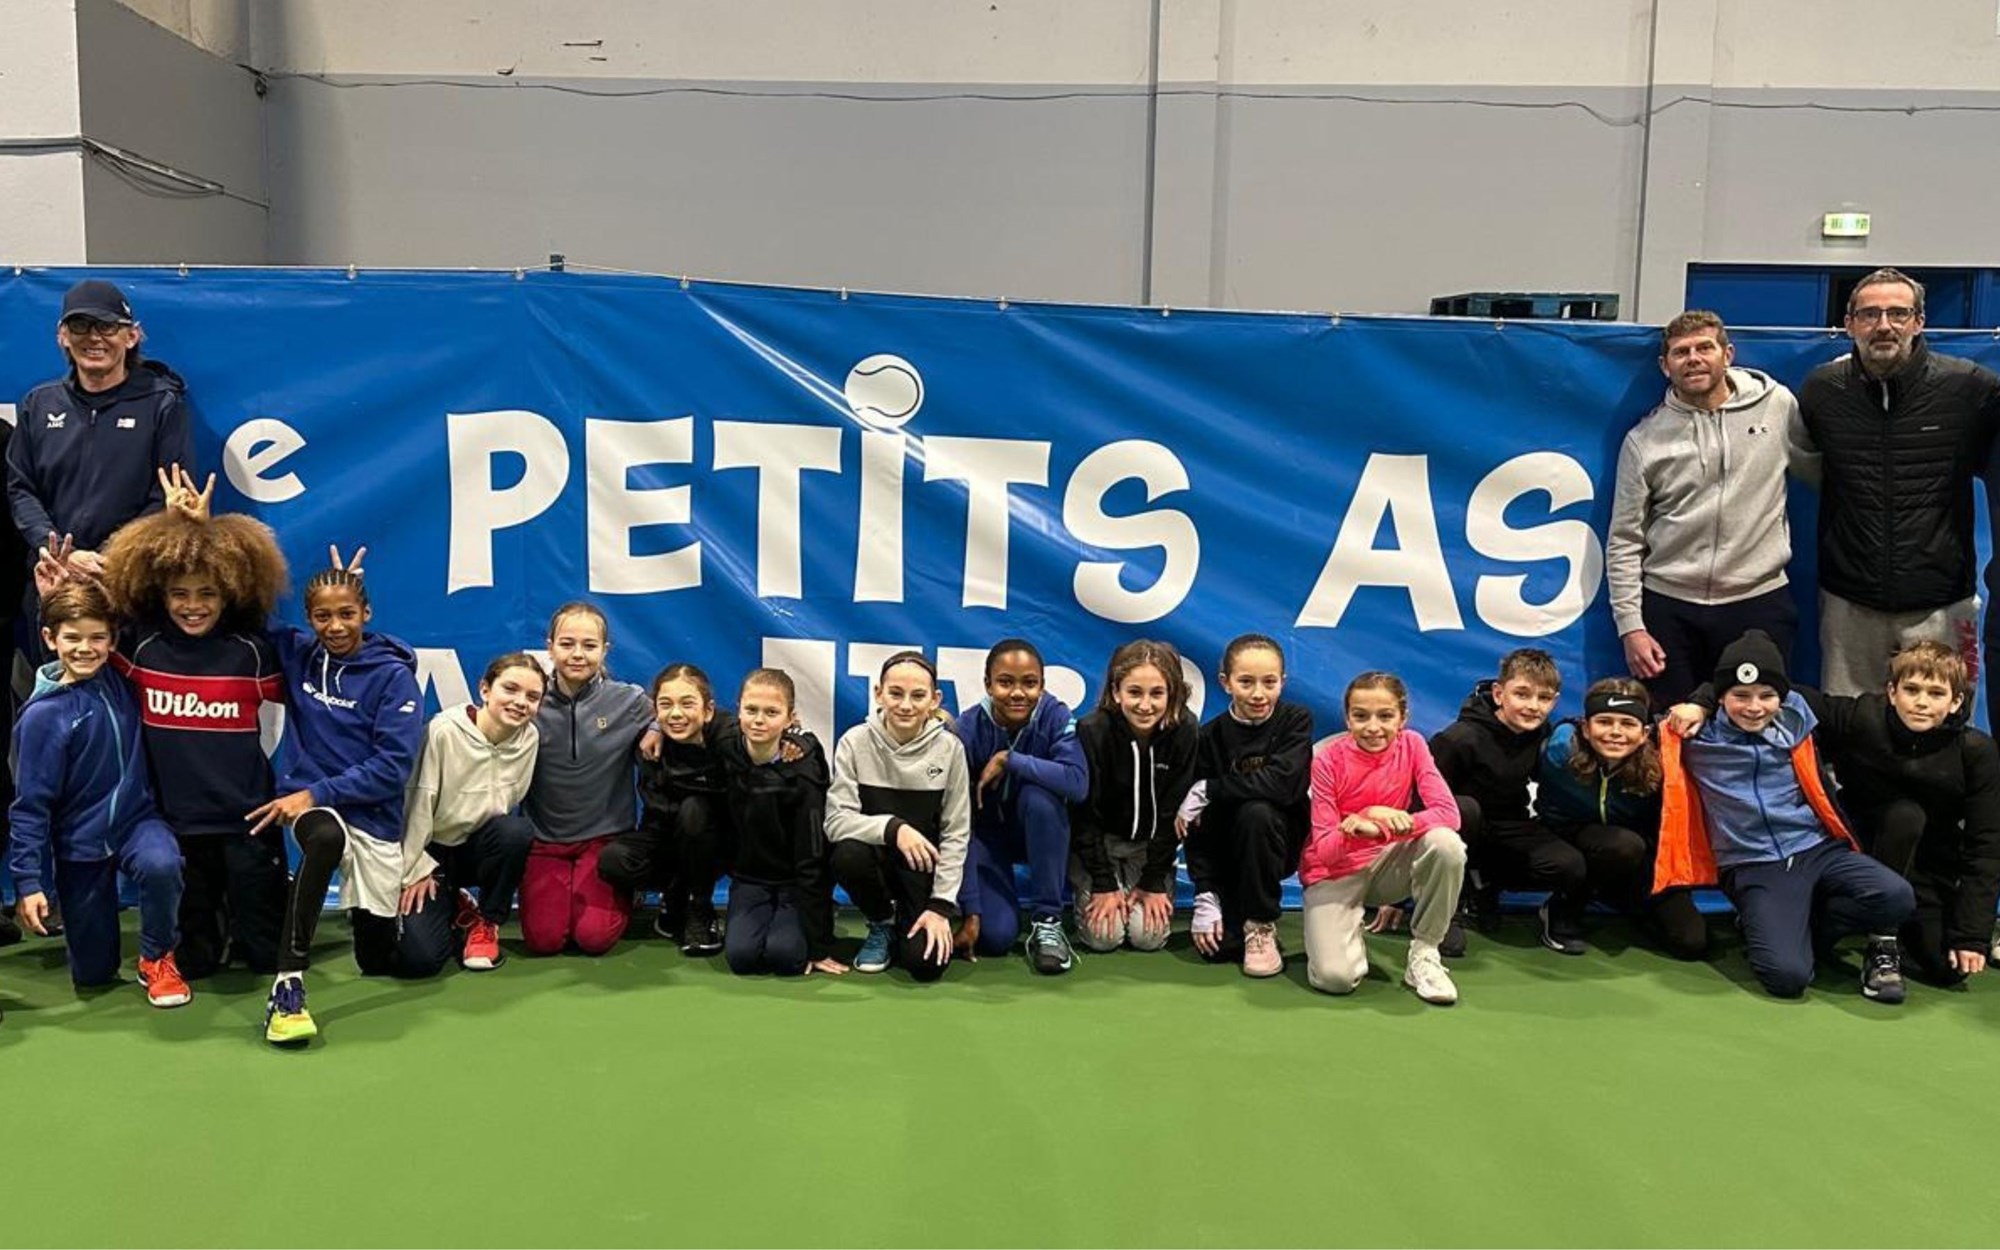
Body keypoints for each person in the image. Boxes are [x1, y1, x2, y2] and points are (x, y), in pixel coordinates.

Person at [92, 472, 289, 981]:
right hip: (177, 824)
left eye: (206, 593)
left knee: (268, 960)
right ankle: (211, 930)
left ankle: (240, 925)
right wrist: (175, 528)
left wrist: (203, 529)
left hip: (249, 821)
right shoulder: (141, 647)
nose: (193, 605)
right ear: (161, 594)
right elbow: (83, 639)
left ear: (228, 594)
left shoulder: (252, 652)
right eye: (180, 593)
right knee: (196, 965)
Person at [1658, 630, 1915, 1002]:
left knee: (1897, 897)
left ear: (1783, 695)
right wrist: (1699, 702)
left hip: (1817, 848)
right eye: (1740, 696)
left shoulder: (1801, 717)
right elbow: (1624, 728)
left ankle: (1804, 928)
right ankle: (1773, 927)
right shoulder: (1693, 735)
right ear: (1721, 696)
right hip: (1754, 864)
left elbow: (1865, 713)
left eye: (1767, 696)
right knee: (1787, 979)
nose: (1754, 707)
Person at [1793, 267, 2000, 702]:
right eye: (1869, 314)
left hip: (1942, 601)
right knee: (1850, 729)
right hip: (1850, 601)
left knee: (1944, 730)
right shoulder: (1821, 390)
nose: (1884, 325)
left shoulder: (1970, 388)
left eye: (1898, 313)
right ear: (1848, 324)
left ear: (1919, 321)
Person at [254, 555, 426, 1042]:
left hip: (372, 815)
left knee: (385, 961)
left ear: (366, 613)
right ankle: (288, 987)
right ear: (308, 619)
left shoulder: (393, 678)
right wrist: (200, 531)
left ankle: (438, 914)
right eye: (322, 616)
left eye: (346, 613)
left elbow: (393, 768)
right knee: (323, 838)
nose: (335, 626)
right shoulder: (297, 653)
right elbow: (243, 602)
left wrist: (318, 791)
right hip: (317, 808)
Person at [6, 580, 188, 1007]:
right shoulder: (41, 718)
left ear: (112, 639)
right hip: (79, 846)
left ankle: (157, 956)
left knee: (162, 863)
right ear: (50, 640)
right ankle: (95, 948)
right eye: (72, 638)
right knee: (92, 974)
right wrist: (29, 883)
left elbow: (156, 613)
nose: (85, 648)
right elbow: (30, 807)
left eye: (97, 637)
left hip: (137, 823)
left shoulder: (123, 678)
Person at [1607, 310, 1801, 706]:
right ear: (1665, 366)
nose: (1693, 358)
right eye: (1681, 352)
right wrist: (1631, 627)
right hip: (1669, 608)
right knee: (1672, 729)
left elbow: (1820, 466)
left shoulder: (1778, 405)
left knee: (1756, 727)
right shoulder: (1643, 440)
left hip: (1759, 600)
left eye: (1704, 348)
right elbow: (1625, 539)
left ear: (1727, 354)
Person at [8, 281, 190, 654]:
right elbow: (20, 488)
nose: (94, 338)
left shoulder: (162, 404)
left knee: (126, 700)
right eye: (81, 326)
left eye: (107, 327)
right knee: (58, 696)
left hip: (127, 580)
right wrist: (61, 552)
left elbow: (169, 495)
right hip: (54, 578)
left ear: (131, 336)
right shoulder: (38, 404)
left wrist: (112, 555)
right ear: (62, 336)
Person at [1301, 671, 1464, 1004]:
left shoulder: (1414, 745)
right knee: (1335, 979)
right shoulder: (1326, 761)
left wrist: (1378, 824)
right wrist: (1364, 819)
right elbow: (1328, 851)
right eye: (1361, 716)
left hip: (1387, 864)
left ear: (1403, 717)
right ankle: (1345, 932)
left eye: (1385, 716)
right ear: (1347, 718)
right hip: (1334, 872)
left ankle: (1424, 953)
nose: (1373, 727)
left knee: (1446, 844)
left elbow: (1449, 814)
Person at [392, 653, 544, 977]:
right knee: (420, 961)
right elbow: (416, 804)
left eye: (532, 697)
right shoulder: (443, 732)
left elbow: (512, 803)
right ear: (485, 689)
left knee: (515, 832)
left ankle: (486, 921)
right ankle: (453, 901)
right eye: (510, 689)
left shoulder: (530, 737)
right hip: (431, 852)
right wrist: (414, 869)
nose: (520, 702)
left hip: (477, 847)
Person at [1535, 678, 1708, 960]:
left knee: (1690, 942)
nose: (1615, 732)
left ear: (1644, 733)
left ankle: (1622, 898)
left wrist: (1701, 706)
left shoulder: (1663, 760)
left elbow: (1732, 694)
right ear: (1586, 728)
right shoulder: (1558, 750)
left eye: (1628, 724)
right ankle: (1562, 908)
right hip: (1569, 842)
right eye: (1604, 722)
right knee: (1622, 844)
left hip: (1637, 855)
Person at [520, 602, 654, 958]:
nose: (577, 654)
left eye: (589, 645)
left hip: (604, 841)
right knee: (544, 942)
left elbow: (684, 714)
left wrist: (656, 726)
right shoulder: (528, 700)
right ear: (549, 646)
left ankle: (627, 892)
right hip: (543, 841)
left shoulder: (631, 701)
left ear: (604, 650)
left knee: (594, 940)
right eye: (566, 644)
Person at [824, 651, 969, 982]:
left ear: (935, 700)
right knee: (847, 854)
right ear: (878, 694)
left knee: (925, 966)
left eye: (918, 696)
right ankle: (882, 922)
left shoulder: (950, 750)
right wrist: (893, 828)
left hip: (920, 870)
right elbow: (835, 821)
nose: (906, 705)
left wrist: (940, 906)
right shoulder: (853, 742)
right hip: (872, 861)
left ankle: (910, 918)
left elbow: (956, 833)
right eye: (895, 693)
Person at [1430, 648, 1583, 954]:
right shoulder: (1459, 738)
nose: (1532, 706)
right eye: (1522, 694)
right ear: (1499, 694)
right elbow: (1422, 801)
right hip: (1454, 831)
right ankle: (1447, 905)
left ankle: (1485, 885)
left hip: (1507, 827)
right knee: (1465, 810)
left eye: (1543, 698)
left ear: (1554, 701)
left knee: (1570, 865)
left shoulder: (1546, 735)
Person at [1178, 633, 1312, 978]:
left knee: (1258, 809)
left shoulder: (1296, 721)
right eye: (1246, 682)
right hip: (1227, 855)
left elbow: (1284, 786)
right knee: (1219, 949)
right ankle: (1231, 909)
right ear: (1225, 683)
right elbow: (1196, 825)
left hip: (1278, 846)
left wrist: (1211, 787)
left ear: (1282, 682)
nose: (1258, 693)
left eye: (1269, 682)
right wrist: (1205, 891)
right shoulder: (1208, 737)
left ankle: (1261, 923)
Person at [955, 638, 1089, 973]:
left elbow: (1077, 783)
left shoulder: (1056, 716)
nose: (1018, 693)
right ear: (988, 685)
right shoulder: (968, 728)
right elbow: (958, 821)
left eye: (1029, 683)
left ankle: (1048, 920)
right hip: (986, 839)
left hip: (1041, 835)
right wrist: (971, 908)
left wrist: (1010, 760)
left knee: (1040, 798)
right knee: (996, 939)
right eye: (1005, 682)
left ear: (1042, 686)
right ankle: (992, 907)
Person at [1070, 640, 1196, 955]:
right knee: (1104, 938)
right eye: (1134, 692)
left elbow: (1173, 812)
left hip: (1150, 849)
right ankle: (1107, 886)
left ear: (1172, 694)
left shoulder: (1185, 730)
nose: (1145, 705)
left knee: (1147, 938)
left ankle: (1137, 886)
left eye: (1157, 693)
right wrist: (1103, 883)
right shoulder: (1092, 730)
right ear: (1116, 692)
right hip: (1102, 845)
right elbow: (1084, 813)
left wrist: (1153, 881)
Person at [599, 663, 734, 955]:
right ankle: (673, 895)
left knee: (695, 810)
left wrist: (796, 739)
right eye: (665, 705)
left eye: (687, 704)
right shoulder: (649, 746)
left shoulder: (729, 736)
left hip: (721, 846)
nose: (675, 714)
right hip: (669, 840)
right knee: (613, 859)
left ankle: (700, 907)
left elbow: (771, 741)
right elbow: (656, 817)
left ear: (708, 709)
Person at [719, 669, 829, 977]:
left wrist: (819, 945)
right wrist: (656, 727)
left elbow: (813, 855)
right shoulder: (726, 746)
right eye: (751, 710)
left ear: (791, 717)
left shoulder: (804, 771)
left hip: (795, 881)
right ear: (738, 708)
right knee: (741, 958)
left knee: (785, 958)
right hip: (750, 878)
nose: (758, 720)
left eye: (772, 712)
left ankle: (803, 925)